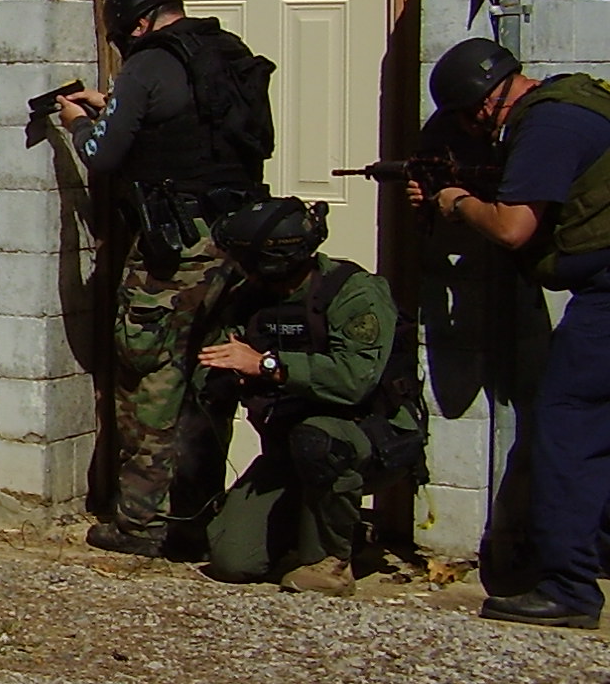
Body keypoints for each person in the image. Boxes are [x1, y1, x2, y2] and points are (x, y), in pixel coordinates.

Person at [57, 0, 274, 557]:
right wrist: (119, 108)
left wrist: (80, 124)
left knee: (149, 374)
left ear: (139, 23)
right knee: (211, 370)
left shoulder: (148, 65)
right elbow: (195, 132)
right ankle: (197, 515)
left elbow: (105, 155)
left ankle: (140, 524)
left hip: (175, 250)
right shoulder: (226, 53)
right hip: (238, 246)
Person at [419, 36, 610, 630]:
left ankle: (569, 588)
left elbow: (511, 228)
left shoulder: (546, 128)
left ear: (481, 105)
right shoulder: (577, 101)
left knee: (565, 422)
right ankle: (597, 552)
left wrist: (455, 203)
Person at [196, 197, 426, 595]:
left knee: (317, 440)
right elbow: (222, 356)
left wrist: (268, 365)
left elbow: (356, 380)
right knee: (233, 560)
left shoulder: (353, 293)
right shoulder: (250, 298)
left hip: (368, 436)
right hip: (289, 445)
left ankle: (331, 564)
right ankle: (309, 529)